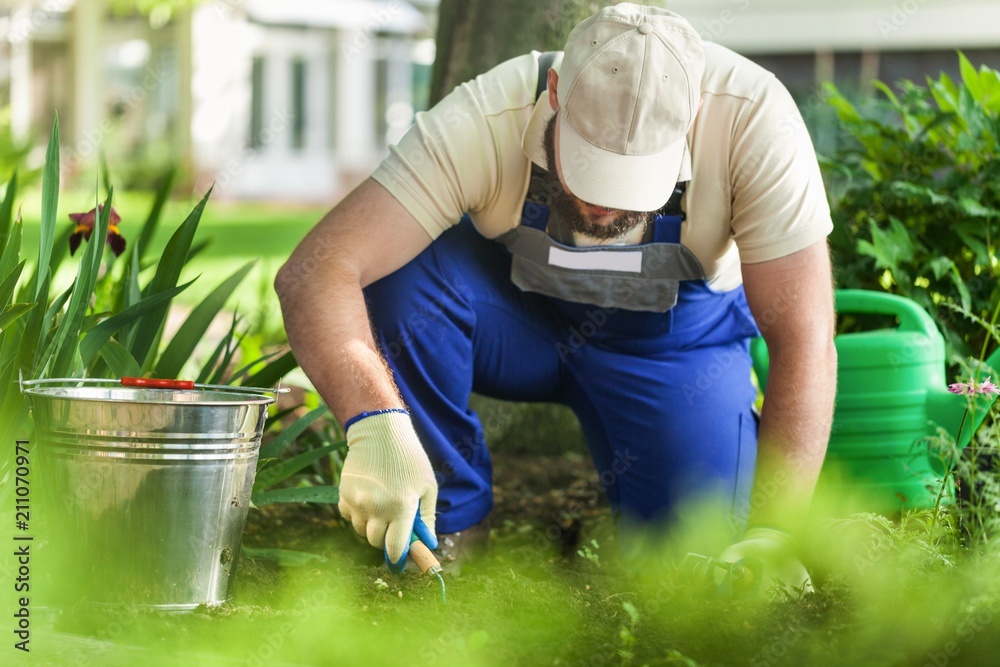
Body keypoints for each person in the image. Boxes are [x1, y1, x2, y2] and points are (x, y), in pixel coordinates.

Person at [275, 3, 836, 591]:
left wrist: (777, 531)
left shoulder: (755, 119)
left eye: (631, 181)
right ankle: (447, 527)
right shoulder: (485, 114)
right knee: (399, 280)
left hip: (672, 346)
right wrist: (376, 423)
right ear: (556, 91)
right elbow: (317, 271)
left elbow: (804, 340)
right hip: (515, 315)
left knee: (694, 566)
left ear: (692, 115)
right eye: (589, 167)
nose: (603, 207)